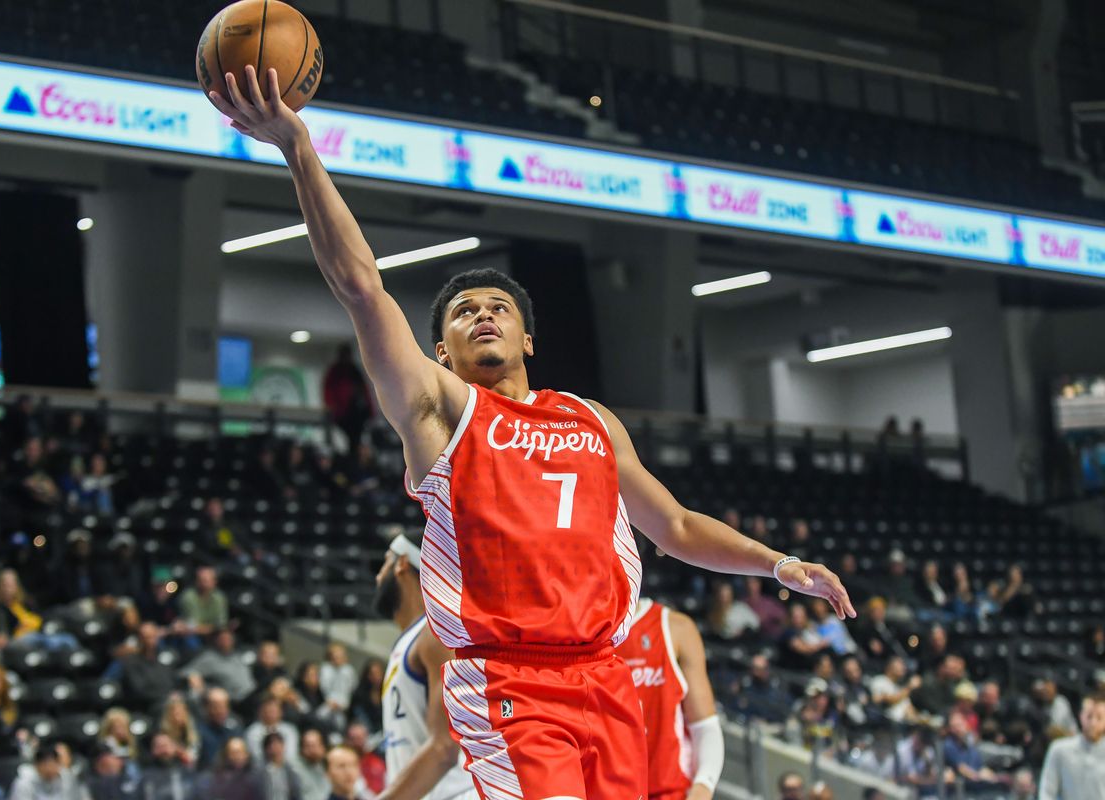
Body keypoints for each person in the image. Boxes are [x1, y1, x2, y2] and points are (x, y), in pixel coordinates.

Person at [208, 69, 853, 798]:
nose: (483, 314)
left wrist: (779, 565)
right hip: (508, 676)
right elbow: (361, 286)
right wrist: (297, 147)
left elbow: (671, 523)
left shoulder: (590, 419)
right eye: (463, 312)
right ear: (441, 352)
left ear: (528, 339)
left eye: (498, 307)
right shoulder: (439, 409)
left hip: (606, 678)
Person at [372, 534, 473, 800]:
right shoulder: (411, 640)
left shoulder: (435, 632)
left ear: (401, 563)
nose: (377, 577)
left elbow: (444, 748)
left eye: (383, 565)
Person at [615, 597, 724, 800]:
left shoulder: (674, 626)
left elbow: (705, 724)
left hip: (668, 790)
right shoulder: (576, 632)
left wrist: (703, 785)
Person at [1038, 691, 1105, 800]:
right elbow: (1047, 792)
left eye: (1099, 717)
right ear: (1081, 716)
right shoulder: (1059, 749)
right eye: (1089, 716)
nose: (1093, 723)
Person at [323, 345, 374, 453]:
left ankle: (354, 458)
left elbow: (365, 391)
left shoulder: (355, 371)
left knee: (356, 440)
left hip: (357, 412)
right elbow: (328, 390)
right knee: (346, 440)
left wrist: (371, 410)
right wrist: (333, 407)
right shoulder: (335, 371)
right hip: (343, 412)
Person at [183, 629, 255, 704]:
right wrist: (193, 676)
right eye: (223, 639)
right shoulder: (209, 658)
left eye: (229, 638)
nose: (226, 641)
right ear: (216, 641)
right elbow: (186, 671)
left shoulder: (238, 655)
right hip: (233, 700)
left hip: (253, 695)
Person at [118, 623, 177, 709]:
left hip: (172, 700)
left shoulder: (166, 656)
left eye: (153, 636)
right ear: (140, 639)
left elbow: (175, 679)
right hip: (150, 706)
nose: (151, 640)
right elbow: (139, 691)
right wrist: (166, 696)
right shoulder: (131, 662)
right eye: (147, 637)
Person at [195, 687, 242, 770]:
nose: (220, 711)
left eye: (224, 706)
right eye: (216, 706)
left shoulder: (235, 725)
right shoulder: (198, 729)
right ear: (207, 708)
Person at [245, 695, 299, 767]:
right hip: (262, 770)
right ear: (260, 712)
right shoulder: (252, 732)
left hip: (287, 769)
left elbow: (291, 754)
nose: (270, 714)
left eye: (273, 711)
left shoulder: (289, 730)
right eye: (267, 711)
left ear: (280, 712)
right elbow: (256, 756)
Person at [178, 567, 229, 639]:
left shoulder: (220, 598)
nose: (204, 584)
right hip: (192, 635)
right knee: (190, 639)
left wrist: (213, 629)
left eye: (207, 581)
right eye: (201, 580)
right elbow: (191, 627)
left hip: (214, 634)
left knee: (225, 637)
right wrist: (213, 628)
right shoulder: (188, 597)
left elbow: (221, 625)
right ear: (196, 582)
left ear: (214, 582)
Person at [139, 734, 193, 800]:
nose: (163, 750)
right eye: (158, 747)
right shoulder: (146, 777)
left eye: (165, 746)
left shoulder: (187, 770)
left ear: (174, 747)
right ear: (153, 750)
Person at [869, 656, 921, 725]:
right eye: (900, 664)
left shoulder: (899, 687)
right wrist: (910, 687)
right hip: (887, 725)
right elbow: (889, 700)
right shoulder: (879, 681)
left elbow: (909, 708)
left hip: (905, 725)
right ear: (889, 666)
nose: (904, 667)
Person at [156, 693, 199, 768]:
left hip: (189, 770)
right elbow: (159, 756)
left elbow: (193, 758)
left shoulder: (193, 733)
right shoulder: (162, 733)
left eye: (180, 714)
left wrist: (180, 752)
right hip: (167, 769)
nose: (177, 718)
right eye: (174, 714)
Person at [260, 732, 305, 800]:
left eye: (279, 744)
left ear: (283, 746)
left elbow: (296, 794)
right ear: (266, 749)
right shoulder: (259, 772)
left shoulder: (291, 771)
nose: (276, 749)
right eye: (272, 745)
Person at [319, 644, 358, 723]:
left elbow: (353, 688)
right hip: (327, 704)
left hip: (344, 707)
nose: (338, 658)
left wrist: (343, 705)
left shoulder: (349, 670)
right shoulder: (325, 669)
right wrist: (330, 702)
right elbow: (322, 688)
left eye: (341, 655)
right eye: (335, 655)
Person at [297, 729, 330, 800]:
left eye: (315, 746)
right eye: (308, 746)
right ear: (301, 749)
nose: (312, 750)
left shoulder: (328, 766)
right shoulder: (294, 770)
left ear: (322, 747)